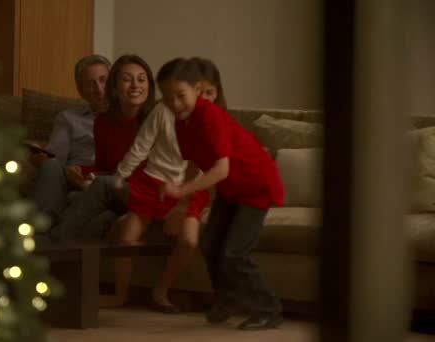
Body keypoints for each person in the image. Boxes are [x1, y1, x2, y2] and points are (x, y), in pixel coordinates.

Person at [157, 57, 285, 330]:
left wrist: (181, 190)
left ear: (199, 89)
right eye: (167, 97)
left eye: (180, 95)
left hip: (255, 185)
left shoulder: (210, 114)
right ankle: (229, 300)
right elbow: (194, 163)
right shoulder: (182, 122)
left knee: (234, 253)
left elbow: (221, 169)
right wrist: (182, 203)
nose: (174, 104)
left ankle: (269, 309)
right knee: (211, 245)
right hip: (232, 189)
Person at [99, 58, 226, 312]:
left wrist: (182, 204)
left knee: (189, 241)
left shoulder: (214, 120)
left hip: (188, 188)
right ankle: (120, 294)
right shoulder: (163, 110)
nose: (204, 98)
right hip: (152, 183)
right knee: (126, 236)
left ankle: (161, 291)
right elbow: (140, 147)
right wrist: (119, 177)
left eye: (210, 93)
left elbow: (202, 168)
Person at [49, 54, 156, 241]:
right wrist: (82, 171)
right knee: (101, 220)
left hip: (151, 193)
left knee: (101, 185)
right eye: (126, 80)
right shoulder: (103, 122)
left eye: (141, 79)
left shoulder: (159, 120)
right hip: (119, 192)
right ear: (114, 87)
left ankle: (52, 243)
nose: (135, 86)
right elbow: (103, 167)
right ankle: (73, 268)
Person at [30, 54, 110, 224]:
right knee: (50, 165)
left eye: (104, 80)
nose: (99, 89)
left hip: (108, 177)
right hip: (74, 177)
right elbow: (55, 156)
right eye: (91, 84)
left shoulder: (129, 116)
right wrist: (43, 158)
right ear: (80, 91)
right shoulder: (68, 118)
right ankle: (41, 229)